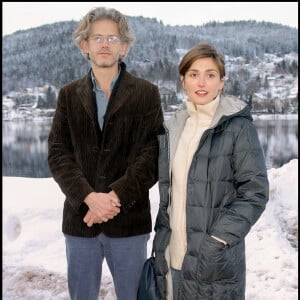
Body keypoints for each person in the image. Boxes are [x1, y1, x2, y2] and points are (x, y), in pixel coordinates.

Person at [48, 7, 164, 300]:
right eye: (97, 37)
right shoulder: (67, 94)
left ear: (123, 46)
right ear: (84, 45)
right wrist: (88, 198)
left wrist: (114, 198)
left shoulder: (146, 93)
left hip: (128, 221)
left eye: (112, 38)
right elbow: (58, 153)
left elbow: (151, 155)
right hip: (80, 221)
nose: (104, 44)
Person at [153, 43, 269, 300]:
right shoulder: (172, 128)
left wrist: (217, 240)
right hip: (172, 256)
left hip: (213, 262)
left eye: (210, 74)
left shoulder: (238, 127)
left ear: (222, 82)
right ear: (183, 81)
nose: (201, 82)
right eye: (194, 74)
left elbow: (255, 192)